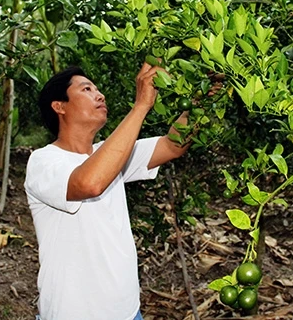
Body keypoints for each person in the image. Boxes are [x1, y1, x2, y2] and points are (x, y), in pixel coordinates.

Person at [24, 62, 191, 320]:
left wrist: (204, 99)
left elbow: (173, 145)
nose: (99, 95)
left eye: (98, 89)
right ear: (60, 106)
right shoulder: (43, 162)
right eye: (87, 89)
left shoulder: (111, 155)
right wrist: (141, 106)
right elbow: (90, 183)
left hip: (128, 312)